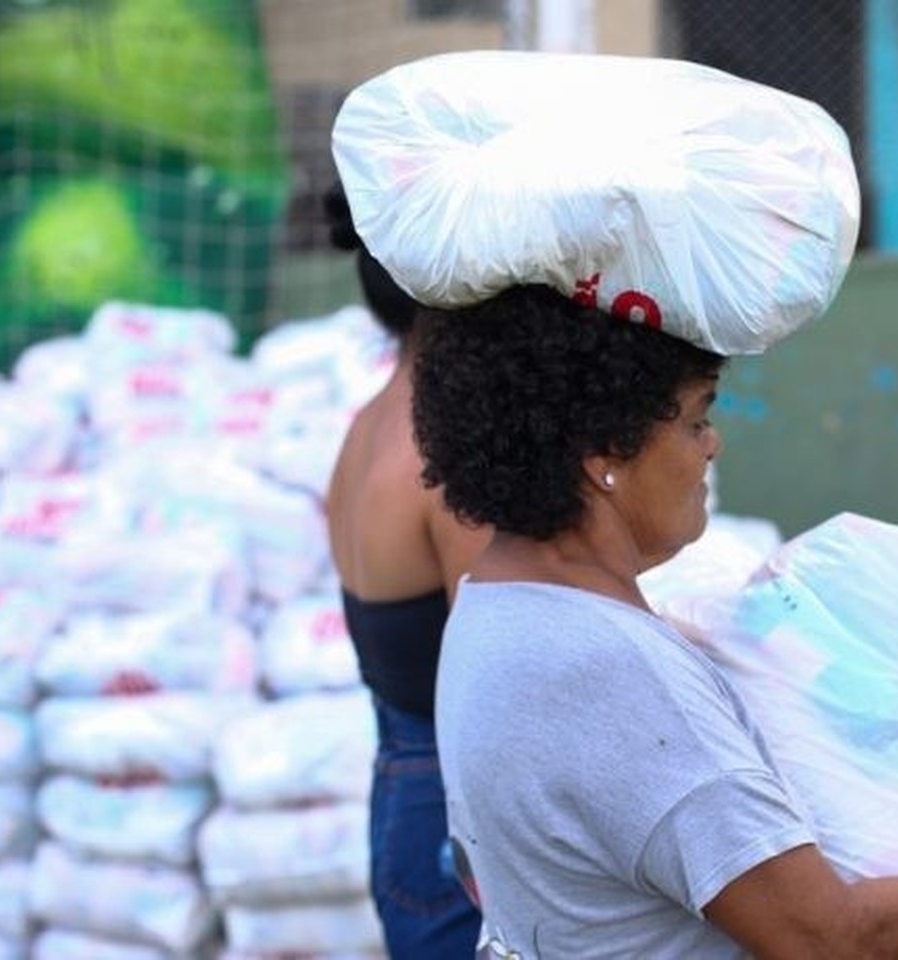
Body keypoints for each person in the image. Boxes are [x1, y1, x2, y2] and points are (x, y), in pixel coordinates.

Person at [415, 283, 898, 958]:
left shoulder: (495, 599)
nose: (713, 445)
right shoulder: (614, 668)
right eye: (694, 420)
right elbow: (831, 943)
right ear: (605, 456)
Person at [323, 182, 489, 958]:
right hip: (455, 815)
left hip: (403, 788)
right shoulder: (441, 452)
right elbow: (503, 669)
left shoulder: (367, 426)